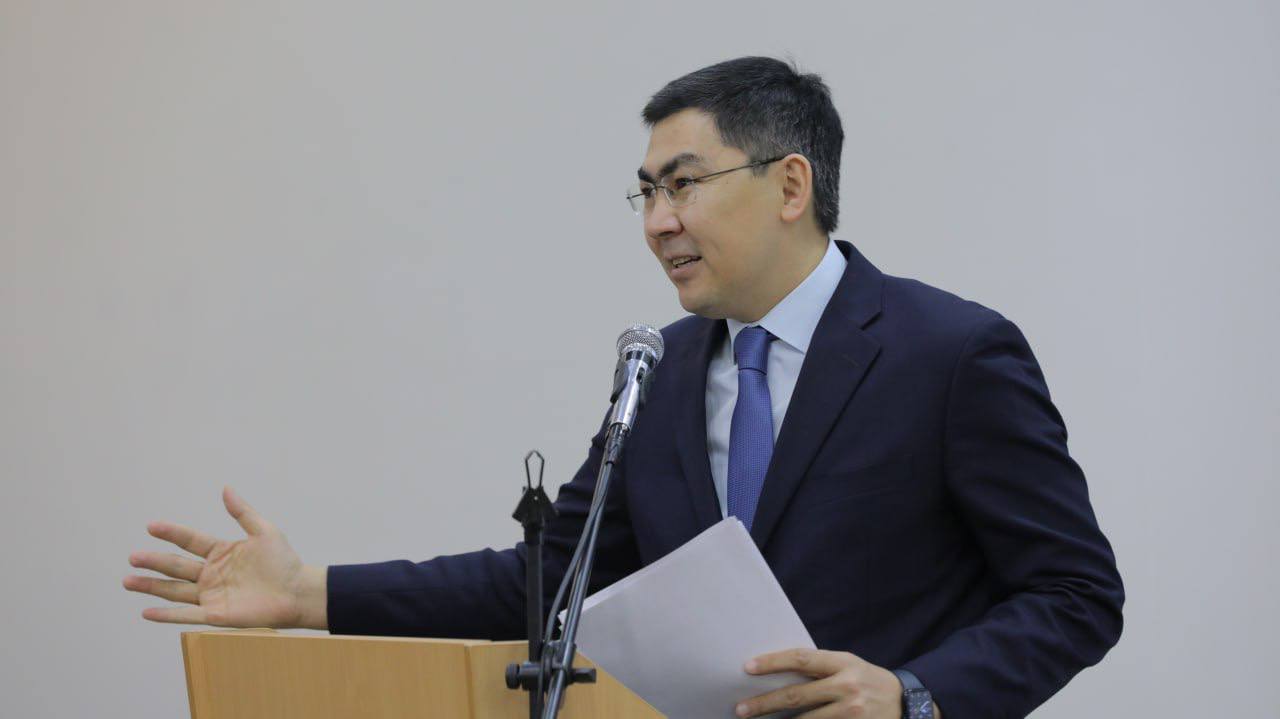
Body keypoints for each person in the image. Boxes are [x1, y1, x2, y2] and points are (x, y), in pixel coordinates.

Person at [124, 57, 1123, 718]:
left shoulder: (949, 352)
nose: (656, 221)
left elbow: (1076, 593)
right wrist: (308, 593)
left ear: (789, 185)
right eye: (645, 192)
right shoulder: (665, 370)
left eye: (682, 183)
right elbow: (548, 579)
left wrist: (912, 694)